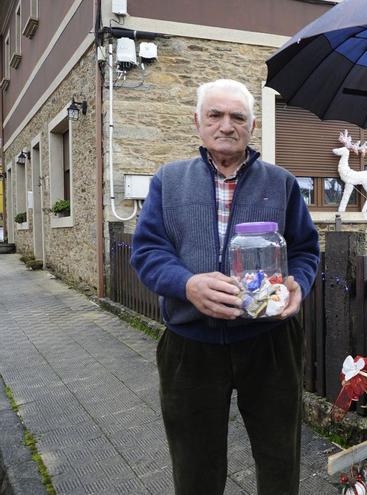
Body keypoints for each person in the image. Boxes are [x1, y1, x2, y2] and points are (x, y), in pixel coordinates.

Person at [130, 79, 320, 494]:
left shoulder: (281, 183)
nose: (226, 125)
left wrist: (298, 285)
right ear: (198, 122)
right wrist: (187, 284)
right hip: (190, 344)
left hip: (269, 343)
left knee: (279, 459)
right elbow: (147, 252)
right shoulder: (169, 181)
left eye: (238, 116)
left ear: (252, 126)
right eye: (215, 115)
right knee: (195, 464)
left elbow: (306, 250)